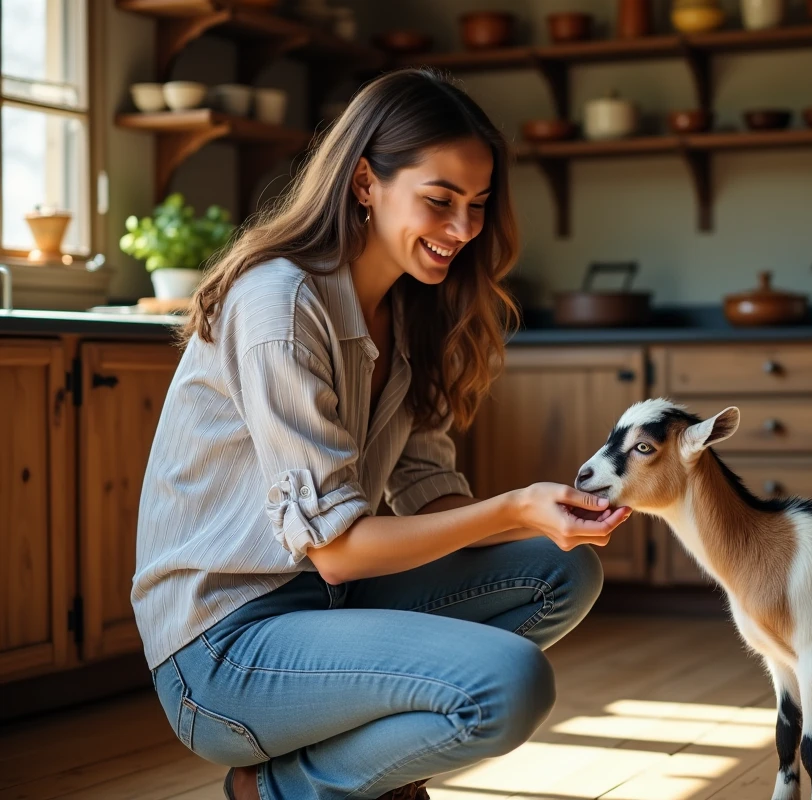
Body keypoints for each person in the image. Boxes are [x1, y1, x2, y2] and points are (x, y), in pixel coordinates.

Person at [131, 68, 632, 800]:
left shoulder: (411, 310)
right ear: (365, 182)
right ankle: (283, 790)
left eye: (478, 206)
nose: (463, 230)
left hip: (327, 609)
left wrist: (545, 514)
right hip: (222, 653)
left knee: (559, 570)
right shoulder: (279, 305)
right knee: (509, 684)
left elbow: (429, 503)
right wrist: (513, 507)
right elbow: (336, 552)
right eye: (440, 201)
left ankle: (369, 769)